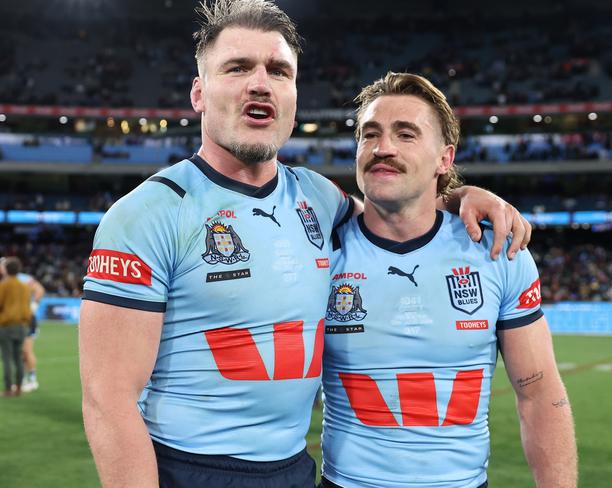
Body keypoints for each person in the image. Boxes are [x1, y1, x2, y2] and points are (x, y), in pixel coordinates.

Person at [79, 1, 531, 487]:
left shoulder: (318, 197)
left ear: (293, 95)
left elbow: (400, 214)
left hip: (296, 470)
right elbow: (108, 398)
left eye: (278, 70)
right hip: (189, 469)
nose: (260, 82)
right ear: (199, 93)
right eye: (237, 68)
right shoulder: (148, 213)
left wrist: (461, 193)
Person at [320, 72, 577, 488]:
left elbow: (539, 395)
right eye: (370, 135)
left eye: (406, 134)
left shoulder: (497, 253)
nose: (383, 148)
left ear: (445, 158)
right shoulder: (317, 252)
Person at [0, 257, 32, 397]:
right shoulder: (25, 286)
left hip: (7, 325)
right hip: (22, 325)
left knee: (7, 358)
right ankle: (19, 388)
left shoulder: (4, 285)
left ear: (6, 269)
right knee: (18, 358)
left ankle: (8, 389)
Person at [17, 268, 44, 392]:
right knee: (20, 351)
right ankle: (22, 379)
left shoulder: (23, 278)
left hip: (26, 319)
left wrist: (34, 306)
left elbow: (39, 290)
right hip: (14, 320)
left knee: (26, 350)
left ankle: (32, 380)